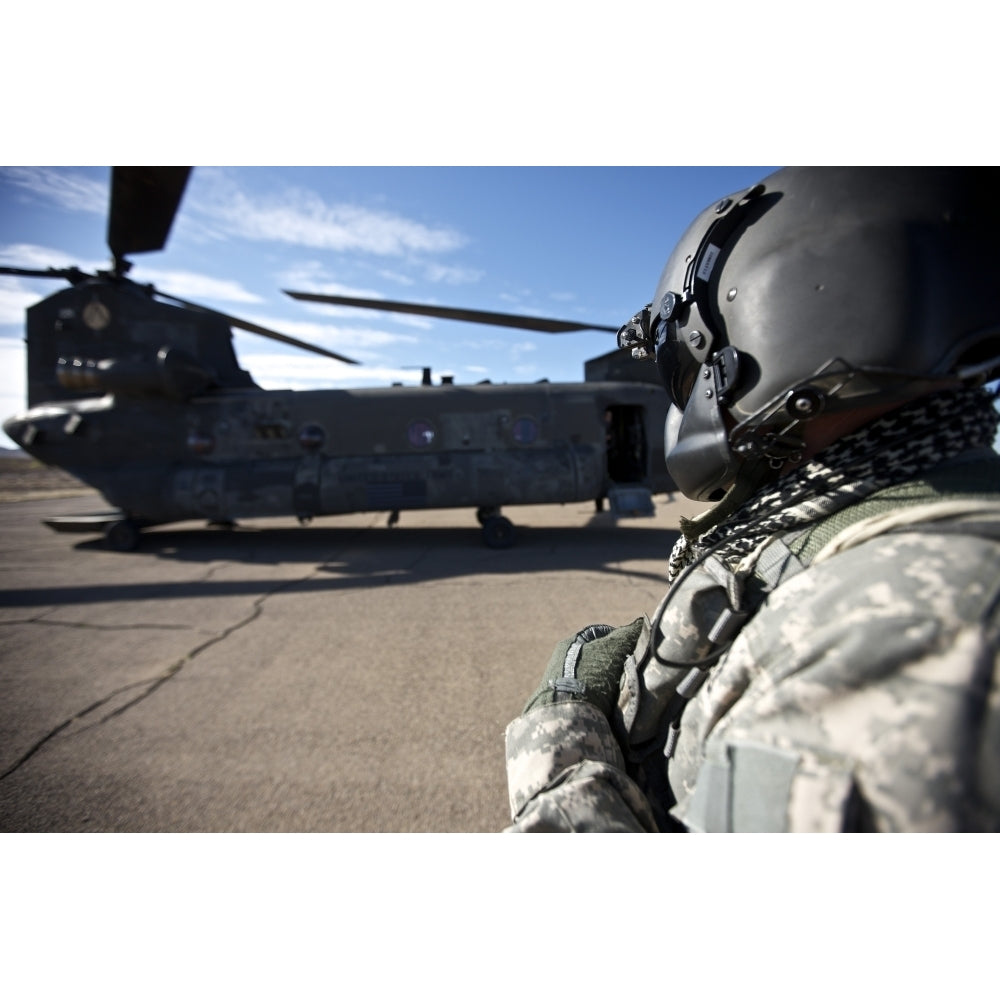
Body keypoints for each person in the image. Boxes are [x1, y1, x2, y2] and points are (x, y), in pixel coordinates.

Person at [504, 167, 1000, 832]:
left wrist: (561, 732)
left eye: (689, 362)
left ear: (777, 319)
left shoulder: (902, 633)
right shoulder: (881, 552)